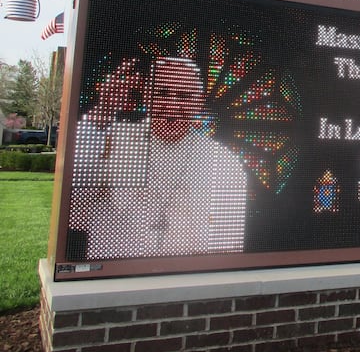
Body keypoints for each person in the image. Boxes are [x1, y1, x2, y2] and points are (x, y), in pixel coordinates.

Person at [68, 57, 249, 260]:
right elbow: (74, 198)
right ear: (146, 97)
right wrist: (102, 113)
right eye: (162, 93)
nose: (172, 105)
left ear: (199, 103)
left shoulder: (222, 161)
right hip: (119, 275)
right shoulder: (111, 140)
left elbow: (228, 242)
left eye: (184, 96)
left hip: (187, 279)